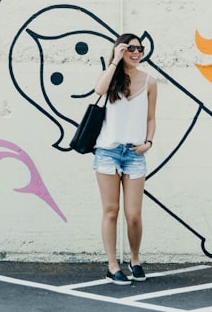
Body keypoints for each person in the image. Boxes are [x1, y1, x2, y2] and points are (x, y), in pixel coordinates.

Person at [92, 33, 158, 285]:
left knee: (134, 215)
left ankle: (135, 258)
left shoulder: (150, 81)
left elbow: (151, 118)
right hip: (107, 151)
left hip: (134, 154)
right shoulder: (111, 78)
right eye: (130, 48)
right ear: (120, 50)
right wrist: (114, 62)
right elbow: (99, 89)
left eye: (139, 49)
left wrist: (148, 143)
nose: (136, 52)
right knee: (111, 211)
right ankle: (112, 265)